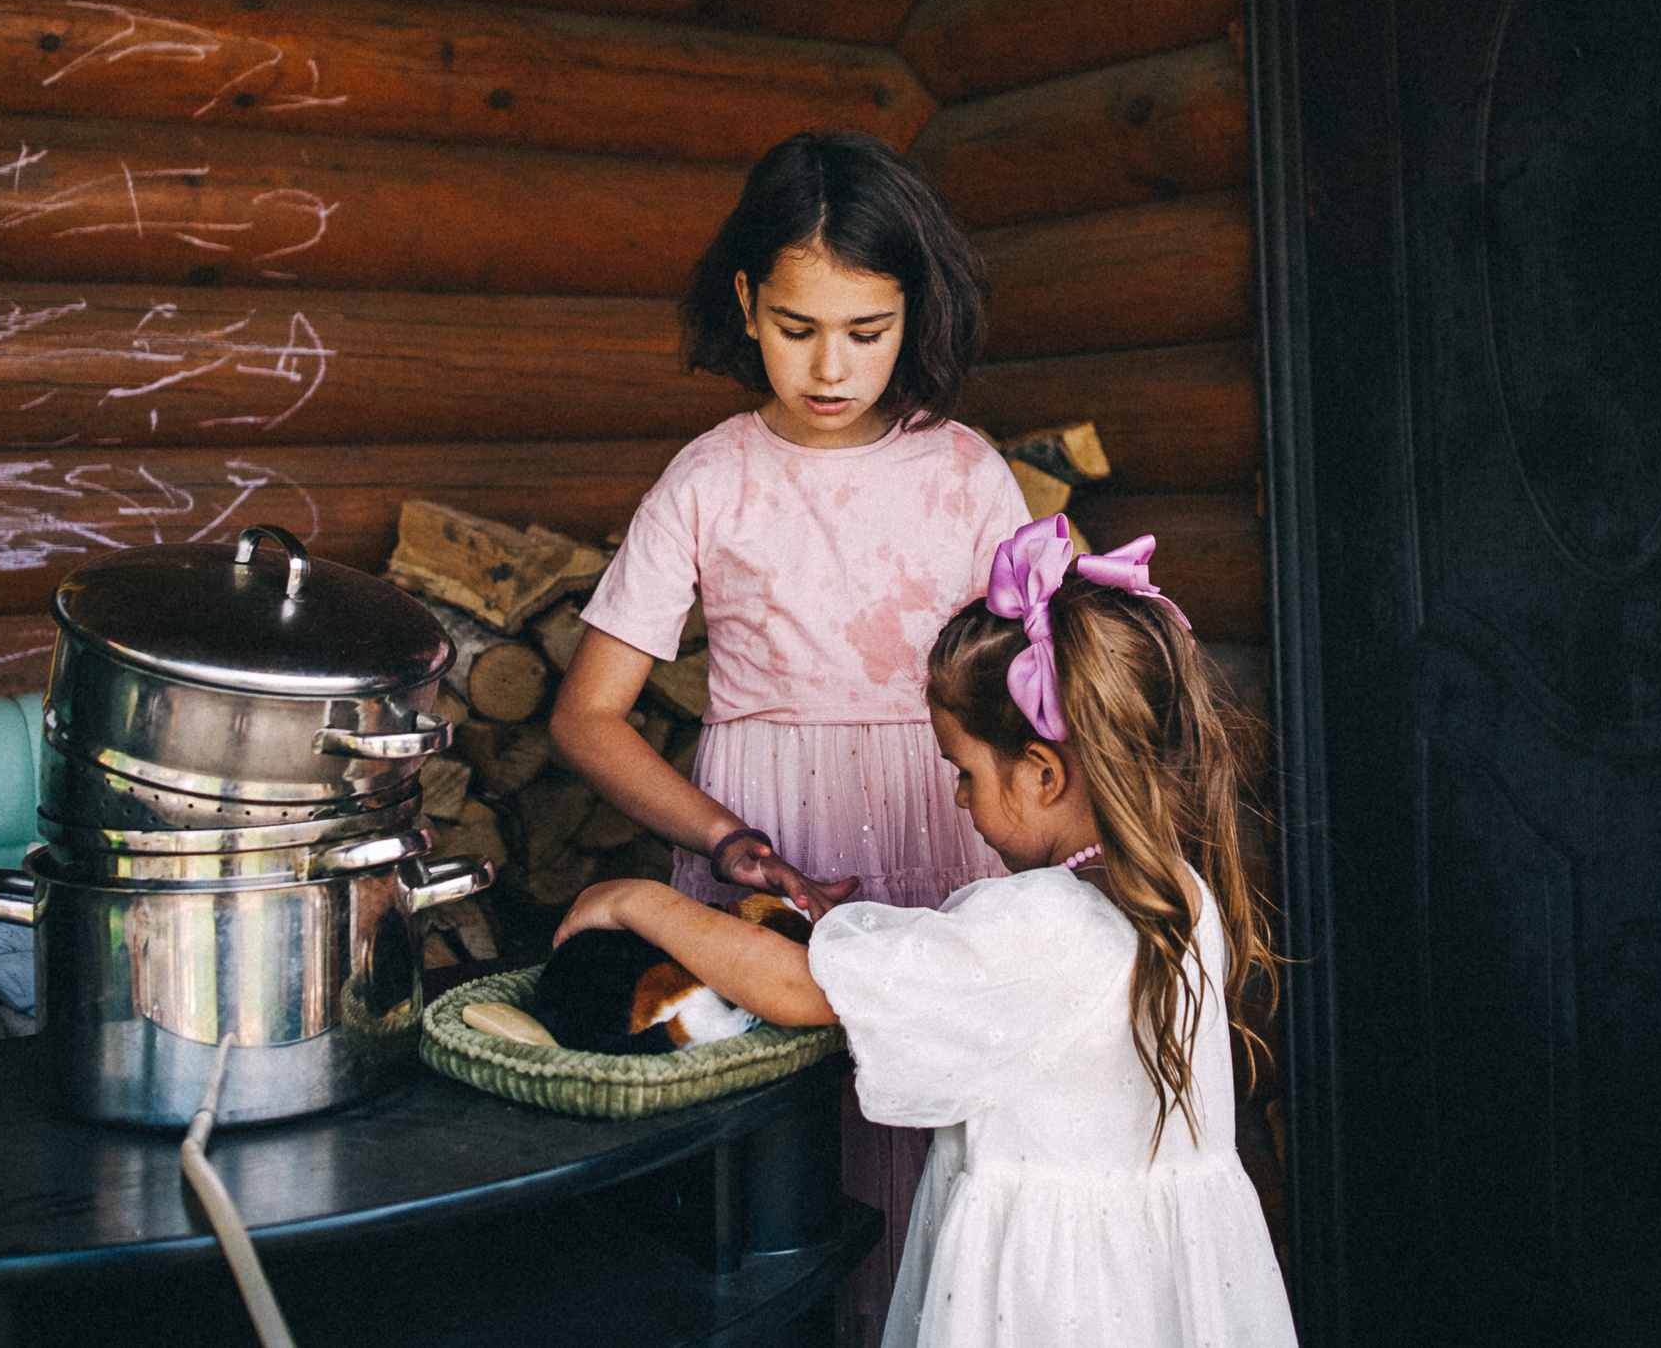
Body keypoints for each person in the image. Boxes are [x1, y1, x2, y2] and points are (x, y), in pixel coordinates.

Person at [555, 514, 1295, 1348]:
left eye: (964, 770)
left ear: (1044, 773)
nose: (957, 799)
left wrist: (636, 902)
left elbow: (800, 988)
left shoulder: (1039, 925)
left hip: (1052, 1313)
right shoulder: (1176, 896)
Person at [549, 128, 1032, 1336]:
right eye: (796, 327)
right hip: (769, 838)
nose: (831, 367)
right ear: (746, 303)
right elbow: (585, 717)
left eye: (867, 333)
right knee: (778, 1174)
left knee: (949, 1152)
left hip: (950, 825)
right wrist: (725, 839)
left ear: (912, 316)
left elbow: (1043, 692)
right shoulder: (709, 480)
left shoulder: (968, 473)